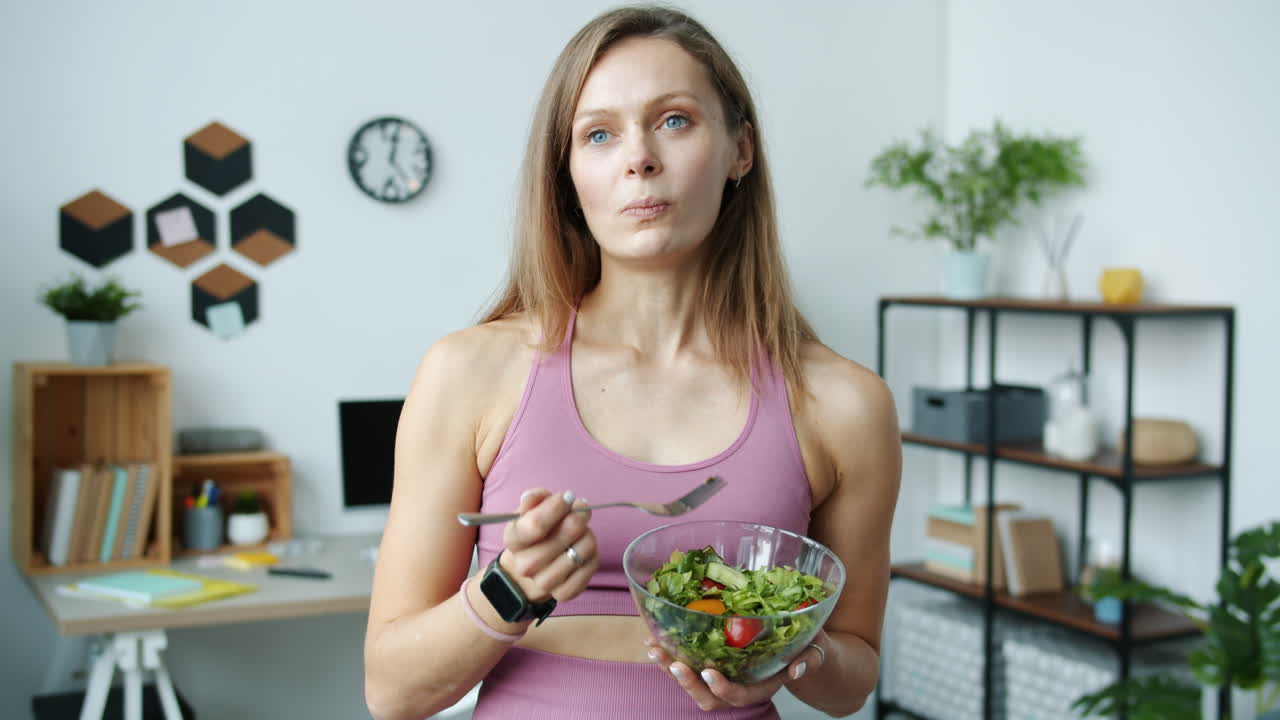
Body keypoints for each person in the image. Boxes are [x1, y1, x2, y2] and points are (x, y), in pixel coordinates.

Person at [363, 5, 901, 719]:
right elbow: (392, 693)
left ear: (741, 149)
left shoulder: (845, 403)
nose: (638, 157)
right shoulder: (468, 373)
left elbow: (853, 677)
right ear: (569, 173)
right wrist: (509, 587)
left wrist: (786, 650)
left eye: (674, 120)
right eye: (599, 133)